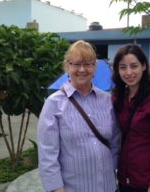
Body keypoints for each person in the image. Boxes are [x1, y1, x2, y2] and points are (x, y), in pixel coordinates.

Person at [37, 40, 121, 192]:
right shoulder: (53, 104)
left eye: (88, 64)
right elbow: (47, 156)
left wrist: (108, 169)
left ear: (94, 67)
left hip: (107, 187)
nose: (82, 69)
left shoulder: (107, 100)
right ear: (67, 66)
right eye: (76, 64)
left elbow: (115, 142)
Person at [112, 44, 150, 192]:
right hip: (126, 180)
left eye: (134, 66)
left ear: (144, 66)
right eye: (123, 67)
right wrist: (71, 87)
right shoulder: (119, 98)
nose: (129, 72)